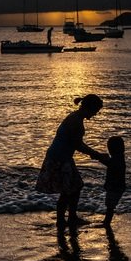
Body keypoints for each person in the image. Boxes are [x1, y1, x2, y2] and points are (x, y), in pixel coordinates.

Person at [36, 94, 103, 228]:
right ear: (90, 108)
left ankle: (69, 218)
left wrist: (94, 154)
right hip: (59, 159)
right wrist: (96, 154)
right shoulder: (76, 121)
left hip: (62, 157)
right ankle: (63, 220)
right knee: (69, 190)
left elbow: (76, 144)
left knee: (75, 187)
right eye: (96, 111)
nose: (96, 114)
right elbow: (77, 144)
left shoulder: (76, 117)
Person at [96, 135, 126, 227]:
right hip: (117, 186)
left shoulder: (117, 159)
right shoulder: (119, 157)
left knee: (110, 206)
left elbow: (111, 165)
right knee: (110, 205)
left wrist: (100, 158)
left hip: (115, 186)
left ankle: (107, 222)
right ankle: (107, 221)